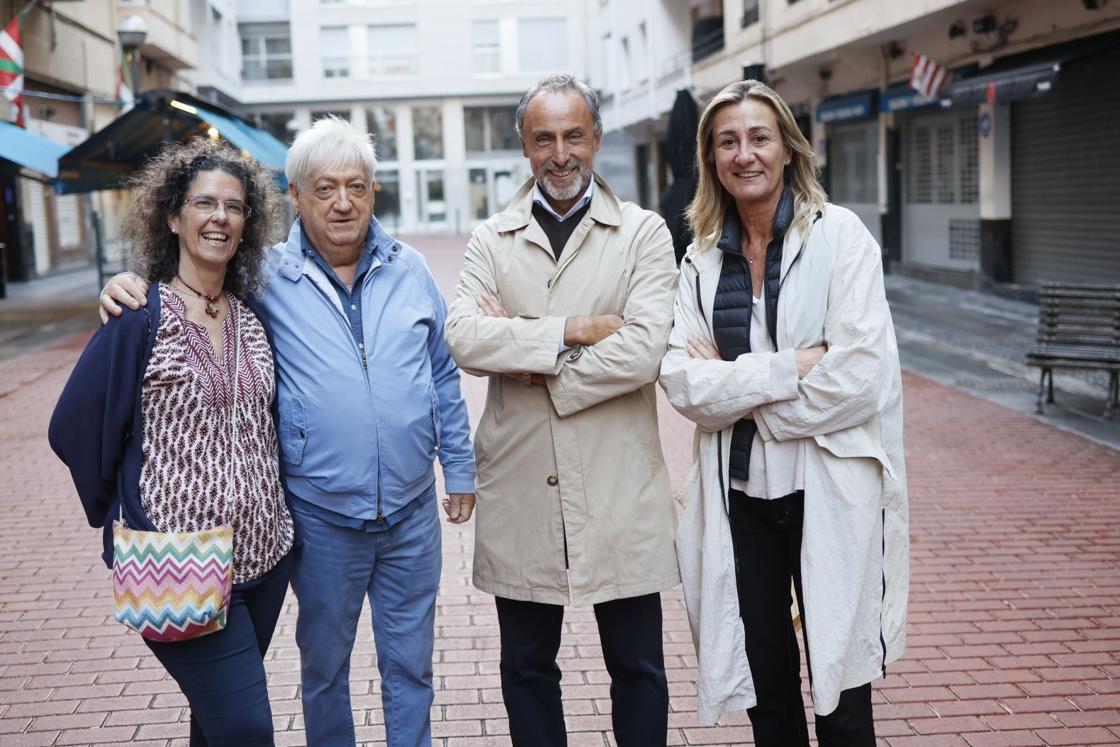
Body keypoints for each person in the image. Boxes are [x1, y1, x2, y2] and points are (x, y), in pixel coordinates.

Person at [97, 117, 477, 747]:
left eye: (356, 186)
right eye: (324, 187)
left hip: (413, 512)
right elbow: (191, 290)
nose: (343, 202)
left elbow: (441, 372)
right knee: (324, 669)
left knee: (411, 665)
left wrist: (458, 468)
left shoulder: (410, 269)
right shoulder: (263, 279)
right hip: (322, 517)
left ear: (374, 192)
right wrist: (124, 286)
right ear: (295, 197)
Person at [658, 79, 909, 746]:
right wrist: (786, 368)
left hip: (825, 491)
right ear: (712, 159)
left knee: (841, 691)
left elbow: (858, 376)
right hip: (741, 503)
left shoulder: (842, 238)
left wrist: (740, 397)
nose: (745, 154)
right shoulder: (702, 258)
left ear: (789, 149)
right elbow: (682, 383)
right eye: (728, 142)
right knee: (767, 690)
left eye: (759, 137)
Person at [444, 74, 679, 747]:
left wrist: (524, 353)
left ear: (596, 139)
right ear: (524, 146)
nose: (560, 152)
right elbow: (464, 336)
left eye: (573, 134)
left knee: (637, 665)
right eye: (543, 138)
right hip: (522, 483)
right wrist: (573, 329)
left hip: (618, 482)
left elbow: (643, 350)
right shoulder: (492, 238)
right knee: (525, 667)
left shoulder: (643, 234)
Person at [50, 138, 294, 746]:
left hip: (264, 560)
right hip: (177, 566)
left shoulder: (253, 316)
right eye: (204, 203)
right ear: (172, 216)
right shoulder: (138, 314)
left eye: (234, 207)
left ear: (248, 222)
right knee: (246, 729)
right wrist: (125, 510)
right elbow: (70, 427)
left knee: (215, 727)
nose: (220, 218)